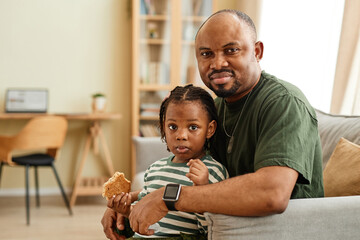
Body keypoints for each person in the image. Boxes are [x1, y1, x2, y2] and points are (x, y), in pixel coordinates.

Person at [102, 9, 324, 238]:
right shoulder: (214, 108)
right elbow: (184, 175)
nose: (217, 63)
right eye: (206, 54)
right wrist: (131, 202)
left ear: (257, 51)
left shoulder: (283, 102)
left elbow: (273, 194)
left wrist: (169, 197)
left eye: (231, 50)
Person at [106, 85, 228, 239]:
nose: (181, 135)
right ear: (163, 127)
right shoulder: (154, 169)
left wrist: (202, 189)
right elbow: (146, 221)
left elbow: (212, 229)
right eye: (173, 127)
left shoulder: (213, 171)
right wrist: (126, 211)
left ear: (210, 129)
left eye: (193, 127)